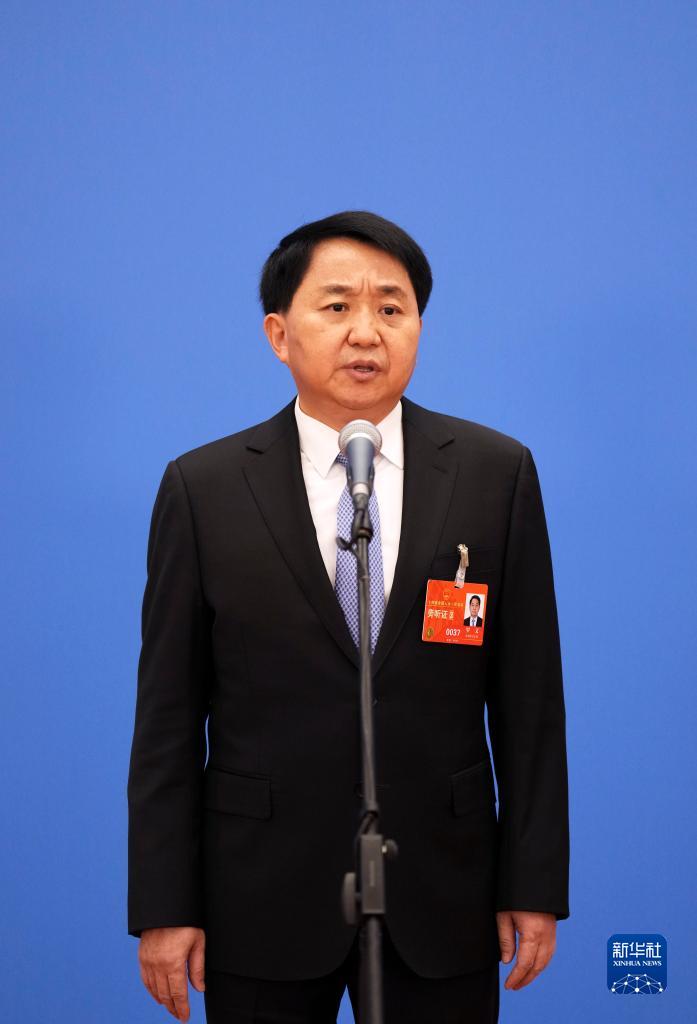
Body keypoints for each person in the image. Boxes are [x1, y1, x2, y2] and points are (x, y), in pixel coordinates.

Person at [127, 210, 570, 1024]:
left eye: (390, 308)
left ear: (418, 327)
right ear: (278, 333)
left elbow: (530, 705)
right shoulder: (204, 488)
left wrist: (533, 882)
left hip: (442, 888)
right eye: (337, 306)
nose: (366, 331)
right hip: (257, 889)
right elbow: (166, 719)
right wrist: (164, 903)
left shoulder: (493, 473)